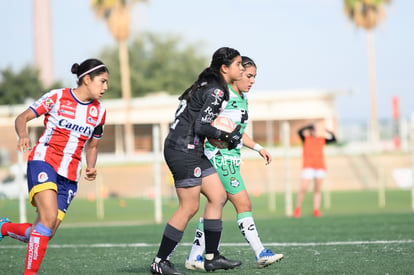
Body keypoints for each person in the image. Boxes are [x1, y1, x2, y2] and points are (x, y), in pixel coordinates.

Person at [0, 58, 108, 274]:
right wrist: (23, 135)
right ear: (87, 79)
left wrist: (91, 165)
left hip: (69, 175)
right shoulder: (57, 97)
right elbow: (22, 118)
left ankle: (4, 227)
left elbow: (92, 146)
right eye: (102, 81)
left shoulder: (100, 112)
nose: (106, 87)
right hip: (44, 161)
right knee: (47, 219)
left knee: (44, 231)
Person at [149, 47, 244, 275]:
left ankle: (211, 257)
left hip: (191, 148)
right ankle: (160, 262)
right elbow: (202, 126)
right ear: (224, 68)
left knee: (218, 196)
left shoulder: (206, 85)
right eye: (239, 64)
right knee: (189, 206)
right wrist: (227, 135)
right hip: (184, 150)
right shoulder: (217, 91)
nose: (241, 68)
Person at [184, 56, 284, 271]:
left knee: (215, 207)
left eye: (254, 77)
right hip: (218, 158)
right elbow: (206, 124)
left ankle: (194, 256)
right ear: (236, 74)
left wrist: (258, 148)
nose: (252, 80)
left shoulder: (242, 98)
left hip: (231, 159)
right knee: (243, 204)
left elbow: (236, 131)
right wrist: (216, 137)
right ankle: (260, 252)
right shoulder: (224, 95)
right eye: (248, 75)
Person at [293, 123, 337, 218]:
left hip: (319, 167)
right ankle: (297, 209)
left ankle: (316, 210)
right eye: (312, 129)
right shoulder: (306, 139)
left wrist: (327, 130)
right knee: (303, 189)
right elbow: (299, 132)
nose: (314, 131)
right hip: (308, 167)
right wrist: (308, 126)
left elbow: (334, 139)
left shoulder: (322, 139)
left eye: (314, 130)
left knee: (317, 190)